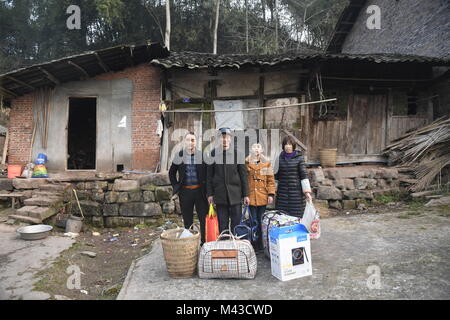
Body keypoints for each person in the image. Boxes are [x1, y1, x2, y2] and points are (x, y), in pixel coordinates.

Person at [206, 127, 250, 235]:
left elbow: (243, 175)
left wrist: (246, 194)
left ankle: (235, 246)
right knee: (223, 225)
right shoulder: (213, 154)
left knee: (236, 225)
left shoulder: (238, 154)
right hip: (220, 195)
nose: (224, 140)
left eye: (227, 138)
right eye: (222, 138)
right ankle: (224, 246)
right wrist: (210, 194)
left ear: (230, 139)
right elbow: (209, 176)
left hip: (235, 194)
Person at [169, 132, 208, 244]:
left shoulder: (202, 155)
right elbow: (172, 173)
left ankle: (204, 242)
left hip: (200, 192)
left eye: (193, 140)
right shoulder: (179, 155)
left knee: (202, 219)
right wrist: (176, 187)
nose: (190, 142)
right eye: (188, 140)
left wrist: (209, 192)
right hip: (185, 192)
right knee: (187, 220)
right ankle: (190, 243)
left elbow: (208, 174)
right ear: (184, 142)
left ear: (196, 142)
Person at [245, 143, 276, 250]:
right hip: (251, 197)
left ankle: (262, 243)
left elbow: (270, 180)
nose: (256, 149)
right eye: (254, 147)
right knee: (253, 221)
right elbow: (243, 180)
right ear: (251, 149)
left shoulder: (266, 164)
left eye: (258, 147)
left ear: (262, 150)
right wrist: (245, 195)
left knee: (261, 220)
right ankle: (254, 243)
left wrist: (271, 194)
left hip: (262, 196)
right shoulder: (246, 163)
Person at [275, 136, 312, 217]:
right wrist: (272, 191)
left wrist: (307, 192)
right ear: (283, 146)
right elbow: (276, 177)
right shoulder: (279, 158)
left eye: (290, 144)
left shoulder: (299, 158)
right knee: (282, 218)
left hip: (296, 195)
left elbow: (304, 175)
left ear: (293, 146)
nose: (288, 146)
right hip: (282, 194)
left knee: (296, 217)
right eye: (286, 144)